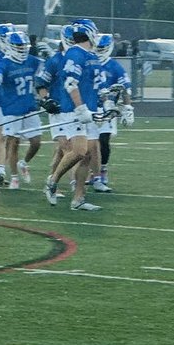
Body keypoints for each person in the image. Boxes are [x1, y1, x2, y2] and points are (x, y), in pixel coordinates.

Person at [43, 19, 104, 211]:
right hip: (75, 110)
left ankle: (78, 199)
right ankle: (52, 181)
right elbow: (71, 83)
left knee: (86, 155)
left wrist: (108, 103)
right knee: (78, 151)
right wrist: (80, 108)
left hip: (90, 108)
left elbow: (96, 85)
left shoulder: (90, 55)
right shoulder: (75, 53)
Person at [0, 29, 43, 190]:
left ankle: (23, 163)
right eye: (18, 46)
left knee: (36, 142)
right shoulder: (5, 62)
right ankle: (14, 176)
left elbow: (46, 71)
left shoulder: (32, 60)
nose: (21, 49)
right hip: (11, 108)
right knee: (13, 143)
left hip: (29, 106)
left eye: (23, 45)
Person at [91, 33, 135, 192]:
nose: (99, 51)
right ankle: (92, 172)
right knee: (90, 143)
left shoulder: (114, 66)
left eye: (102, 48)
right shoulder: (89, 63)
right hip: (90, 107)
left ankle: (102, 169)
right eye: (97, 48)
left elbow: (125, 88)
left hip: (108, 109)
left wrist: (128, 108)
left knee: (103, 140)